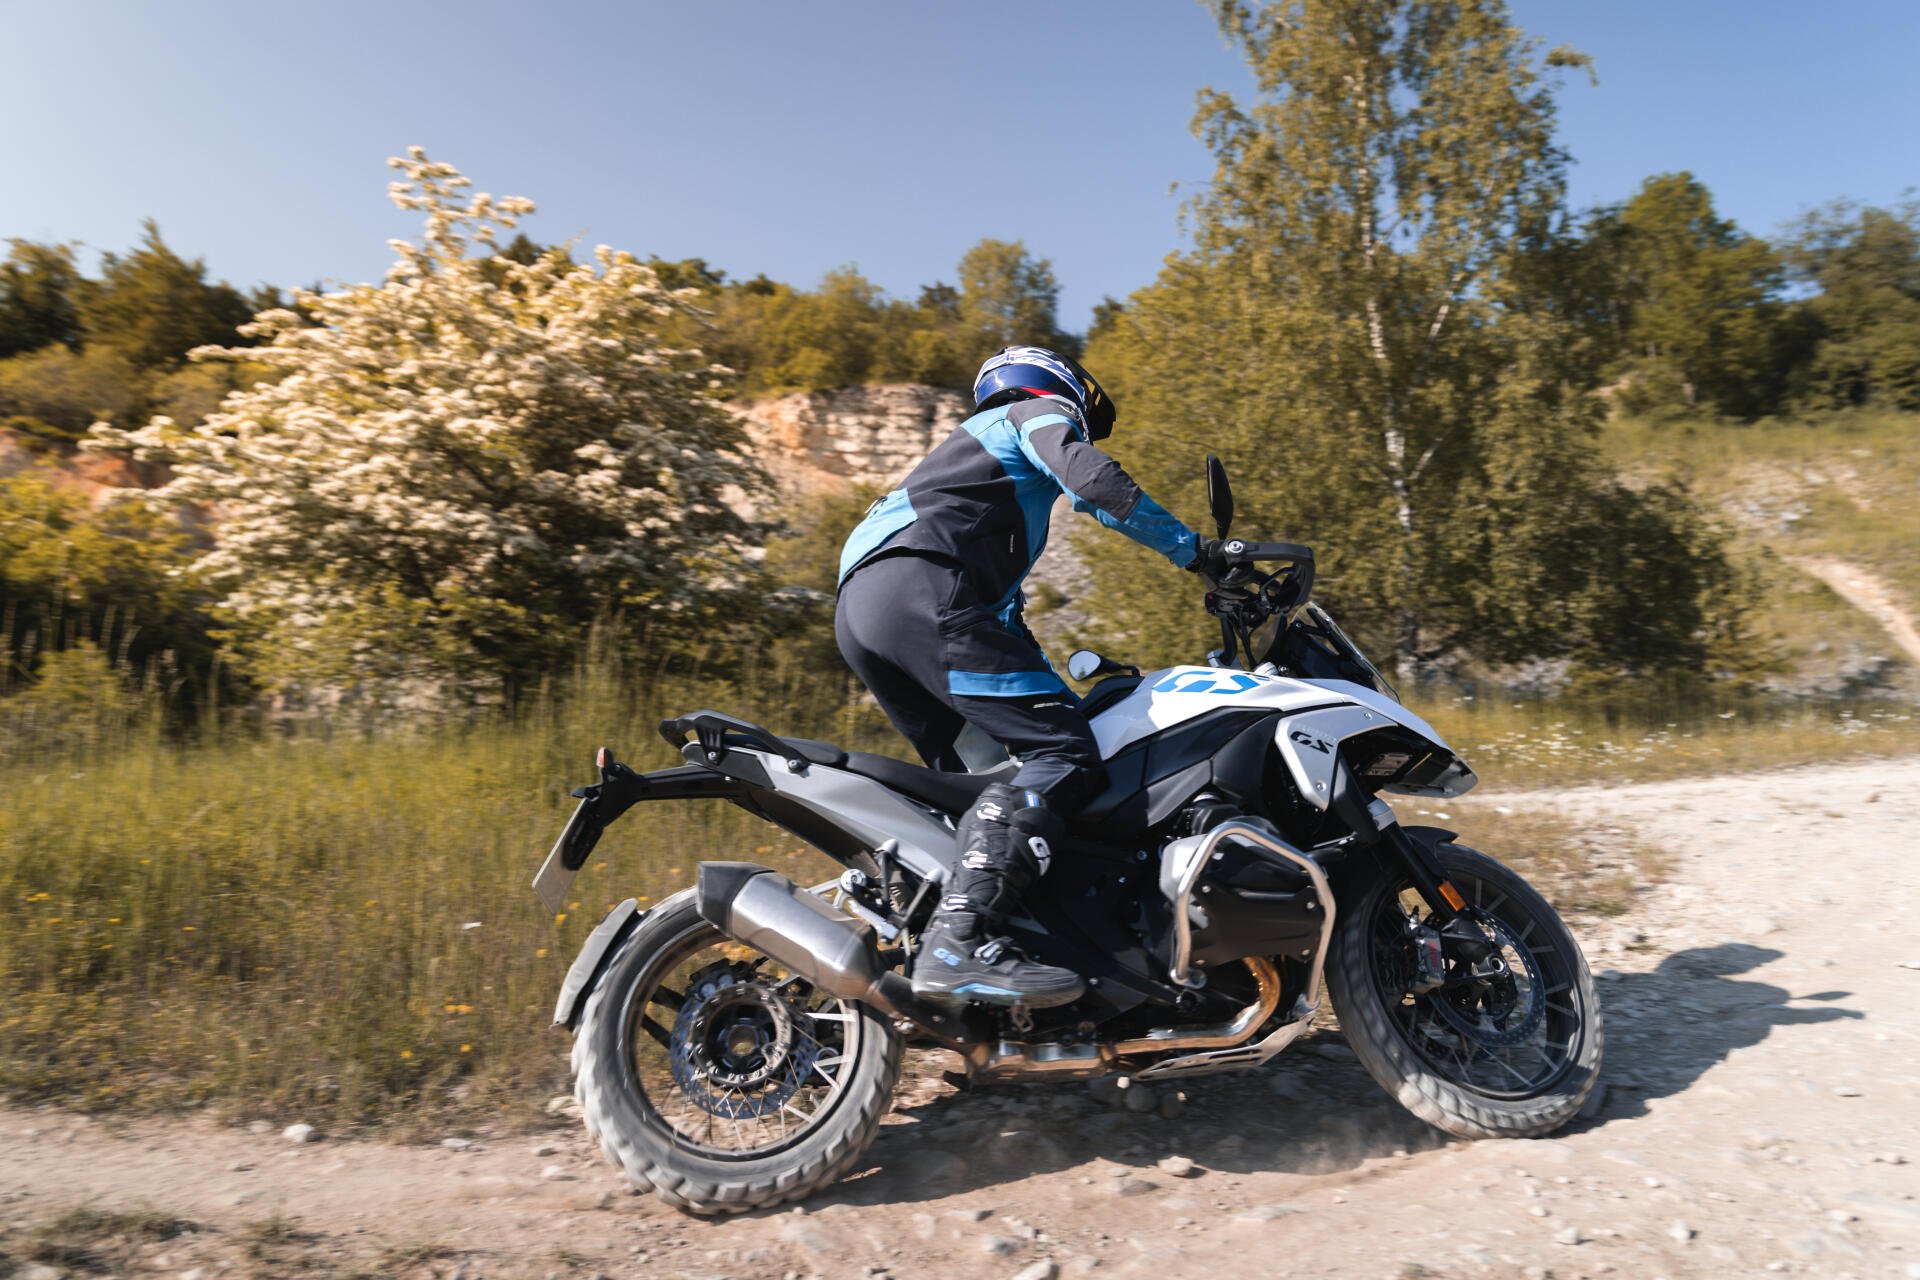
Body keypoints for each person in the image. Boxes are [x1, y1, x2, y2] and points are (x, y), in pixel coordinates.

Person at [835, 345, 1227, 1007]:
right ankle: (960, 942)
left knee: (984, 784)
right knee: (1063, 754)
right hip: (924, 591)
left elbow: (1003, 624)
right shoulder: (1029, 413)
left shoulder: (964, 481)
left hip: (864, 611)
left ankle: (959, 936)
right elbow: (1094, 481)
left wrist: (1060, 701)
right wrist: (1199, 554)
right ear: (1056, 386)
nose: (1080, 425)